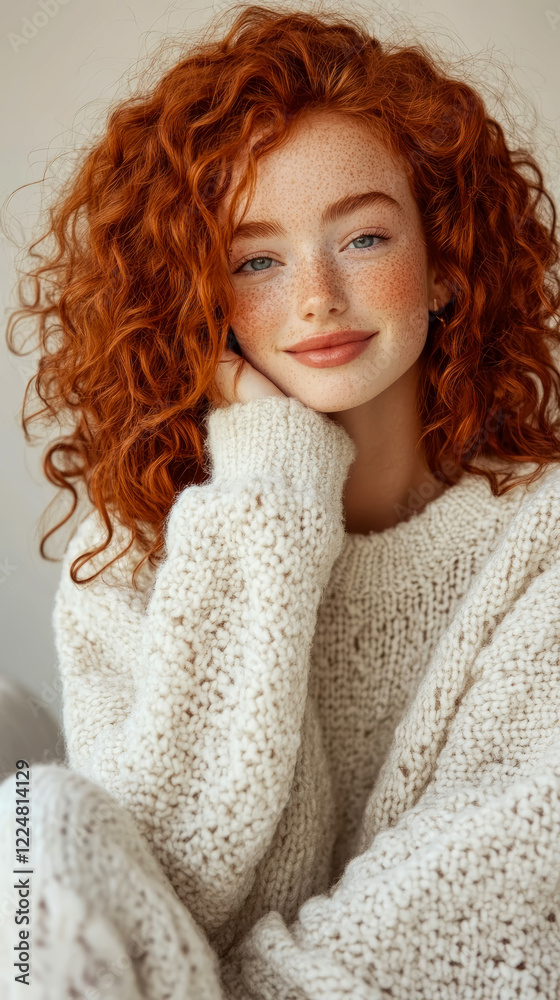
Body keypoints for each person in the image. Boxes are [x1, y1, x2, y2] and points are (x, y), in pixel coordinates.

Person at [3, 4, 560, 997]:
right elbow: (170, 880)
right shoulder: (129, 553)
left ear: (444, 266)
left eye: (364, 237)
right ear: (201, 301)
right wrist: (269, 489)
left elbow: (481, 912)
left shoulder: (542, 538)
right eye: (255, 260)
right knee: (36, 824)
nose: (316, 296)